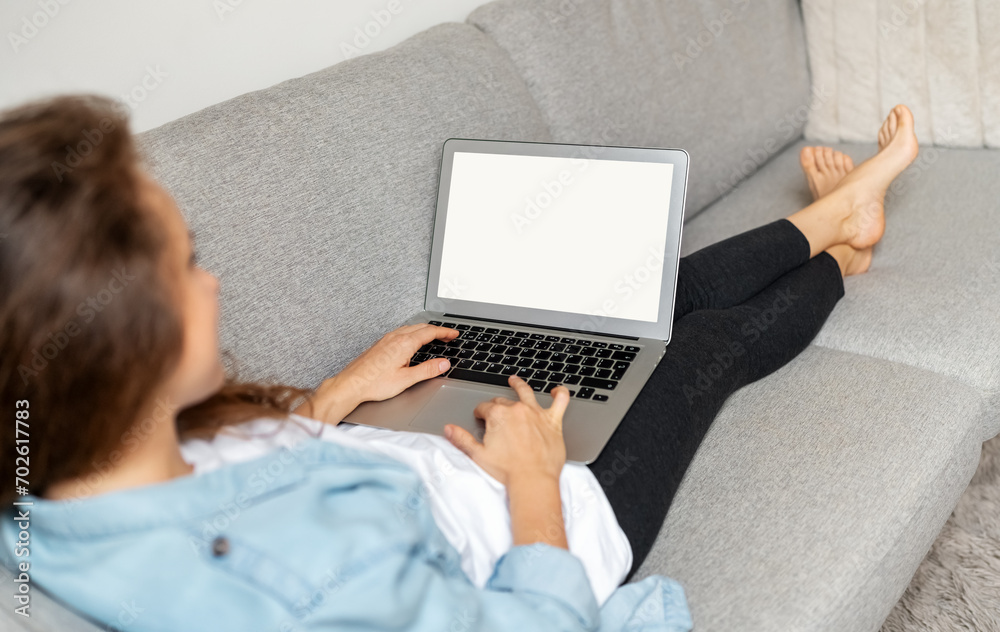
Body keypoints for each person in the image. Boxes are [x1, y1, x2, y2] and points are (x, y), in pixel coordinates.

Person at [0, 95, 918, 631]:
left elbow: (228, 479)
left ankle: (831, 222)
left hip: (436, 460)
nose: (213, 283)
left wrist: (336, 395)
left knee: (639, 301)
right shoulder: (294, 582)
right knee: (702, 348)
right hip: (543, 521)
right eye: (188, 264)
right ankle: (845, 256)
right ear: (118, 349)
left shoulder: (59, 474)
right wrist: (534, 482)